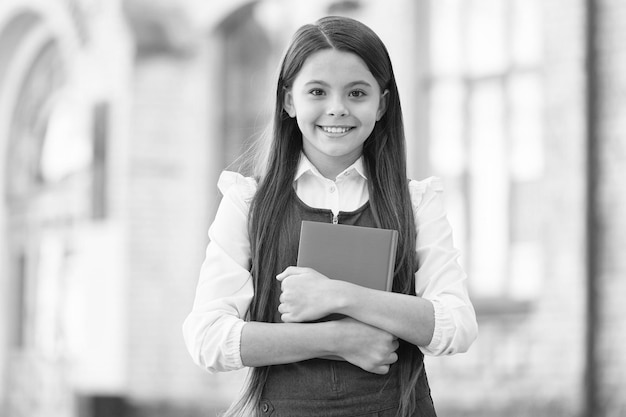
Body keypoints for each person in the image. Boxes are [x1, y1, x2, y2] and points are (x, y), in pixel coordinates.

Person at [183, 15, 478, 417]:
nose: (336, 109)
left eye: (357, 93)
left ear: (382, 104)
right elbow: (208, 338)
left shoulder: (416, 203)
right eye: (317, 91)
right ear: (289, 100)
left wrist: (341, 295)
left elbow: (456, 325)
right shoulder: (247, 202)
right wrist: (335, 338)